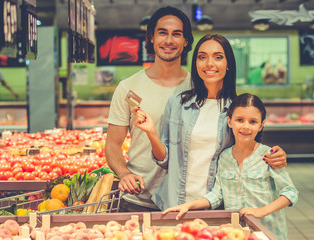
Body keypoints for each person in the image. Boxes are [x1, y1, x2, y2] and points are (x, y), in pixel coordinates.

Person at [133, 34, 288, 211]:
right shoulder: (178, 104)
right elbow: (165, 160)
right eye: (202, 57)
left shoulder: (236, 110)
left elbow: (251, 152)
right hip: (176, 203)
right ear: (196, 63)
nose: (209, 64)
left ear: (228, 64)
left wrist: (277, 155)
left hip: (219, 205)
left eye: (218, 57)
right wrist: (151, 133)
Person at [163, 93, 298, 240]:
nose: (246, 126)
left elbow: (290, 192)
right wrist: (188, 205)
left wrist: (262, 211)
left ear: (261, 125)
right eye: (240, 120)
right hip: (238, 233)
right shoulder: (224, 157)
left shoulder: (269, 155)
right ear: (229, 121)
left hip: (269, 233)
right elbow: (217, 195)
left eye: (253, 122)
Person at [105, 6, 194, 211]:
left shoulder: (198, 87)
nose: (169, 41)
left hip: (187, 201)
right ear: (151, 38)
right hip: (137, 199)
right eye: (162, 33)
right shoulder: (129, 88)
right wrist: (124, 174)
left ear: (186, 41)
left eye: (177, 34)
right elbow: (112, 145)